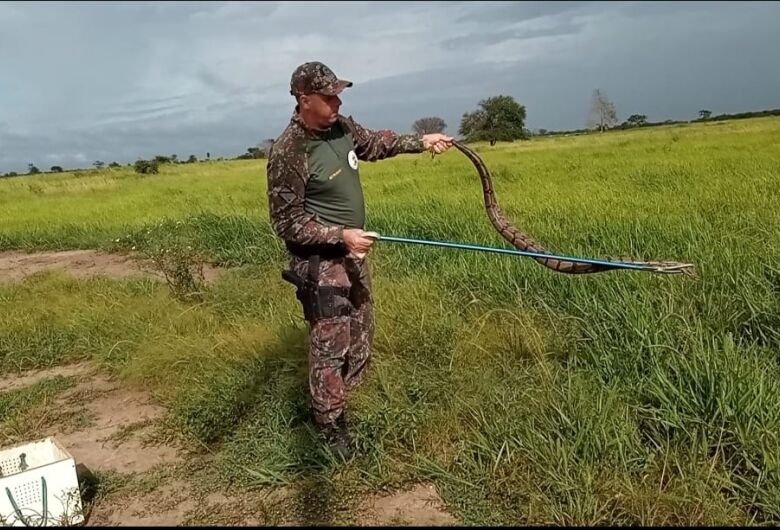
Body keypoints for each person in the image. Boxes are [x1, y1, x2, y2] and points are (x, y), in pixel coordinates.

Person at [266, 61, 453, 459]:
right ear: (304, 99)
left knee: (361, 334)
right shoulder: (289, 151)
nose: (337, 101)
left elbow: (375, 144)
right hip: (321, 263)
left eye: (338, 94)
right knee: (330, 344)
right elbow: (286, 222)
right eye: (329, 96)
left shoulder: (342, 128)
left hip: (353, 256)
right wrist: (339, 235)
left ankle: (347, 400)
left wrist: (422, 141)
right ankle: (330, 427)